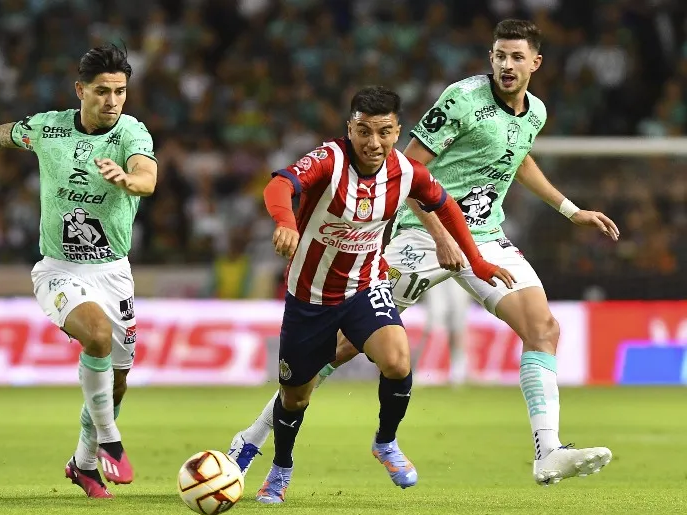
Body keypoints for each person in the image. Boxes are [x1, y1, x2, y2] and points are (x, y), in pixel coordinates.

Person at [229, 19, 619, 487]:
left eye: (517, 57)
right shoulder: (462, 99)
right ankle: (252, 436)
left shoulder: (535, 112)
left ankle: (548, 451)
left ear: (535, 62)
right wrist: (439, 234)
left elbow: (518, 157)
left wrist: (570, 209)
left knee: (543, 329)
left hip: (484, 236)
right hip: (420, 236)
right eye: (500, 55)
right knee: (342, 347)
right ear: (490, 57)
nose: (507, 65)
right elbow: (407, 168)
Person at [0, 44, 158, 498]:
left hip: (114, 272)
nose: (112, 101)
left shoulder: (131, 133)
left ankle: (83, 464)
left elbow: (147, 177)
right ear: (80, 90)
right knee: (97, 335)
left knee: (117, 380)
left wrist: (127, 180)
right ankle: (110, 439)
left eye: (120, 91)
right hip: (59, 269)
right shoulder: (48, 128)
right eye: (102, 91)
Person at [252, 85, 514, 504]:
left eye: (384, 132)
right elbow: (280, 185)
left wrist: (476, 261)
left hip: (365, 286)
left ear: (397, 131)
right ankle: (281, 468)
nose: (374, 142)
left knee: (397, 360)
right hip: (310, 296)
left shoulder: (407, 171)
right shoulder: (329, 160)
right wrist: (285, 221)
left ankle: (385, 441)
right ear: (350, 129)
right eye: (364, 131)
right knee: (295, 397)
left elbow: (445, 205)